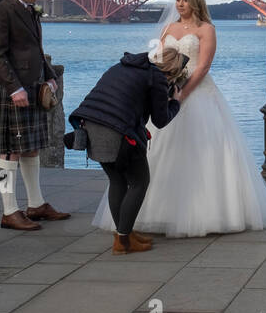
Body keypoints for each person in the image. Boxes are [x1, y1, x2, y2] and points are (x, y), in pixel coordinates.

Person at [93, 0, 266, 236]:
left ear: (196, 2)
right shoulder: (169, 28)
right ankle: (146, 217)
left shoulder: (206, 29)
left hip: (199, 95)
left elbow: (203, 67)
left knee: (202, 152)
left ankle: (205, 213)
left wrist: (183, 94)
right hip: (168, 94)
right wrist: (162, 91)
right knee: (161, 153)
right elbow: (160, 61)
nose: (180, 4)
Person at [70, 47, 188, 254]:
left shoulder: (122, 66)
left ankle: (124, 234)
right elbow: (160, 120)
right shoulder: (157, 78)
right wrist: (176, 102)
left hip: (89, 126)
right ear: (171, 71)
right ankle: (123, 241)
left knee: (117, 181)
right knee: (139, 183)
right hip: (118, 132)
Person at [0, 0, 70, 231]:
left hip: (35, 85)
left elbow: (36, 48)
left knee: (31, 148)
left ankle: (36, 204)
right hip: (17, 89)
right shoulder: (0, 10)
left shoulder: (30, 9)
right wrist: (13, 88)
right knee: (9, 151)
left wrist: (50, 75)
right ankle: (9, 210)